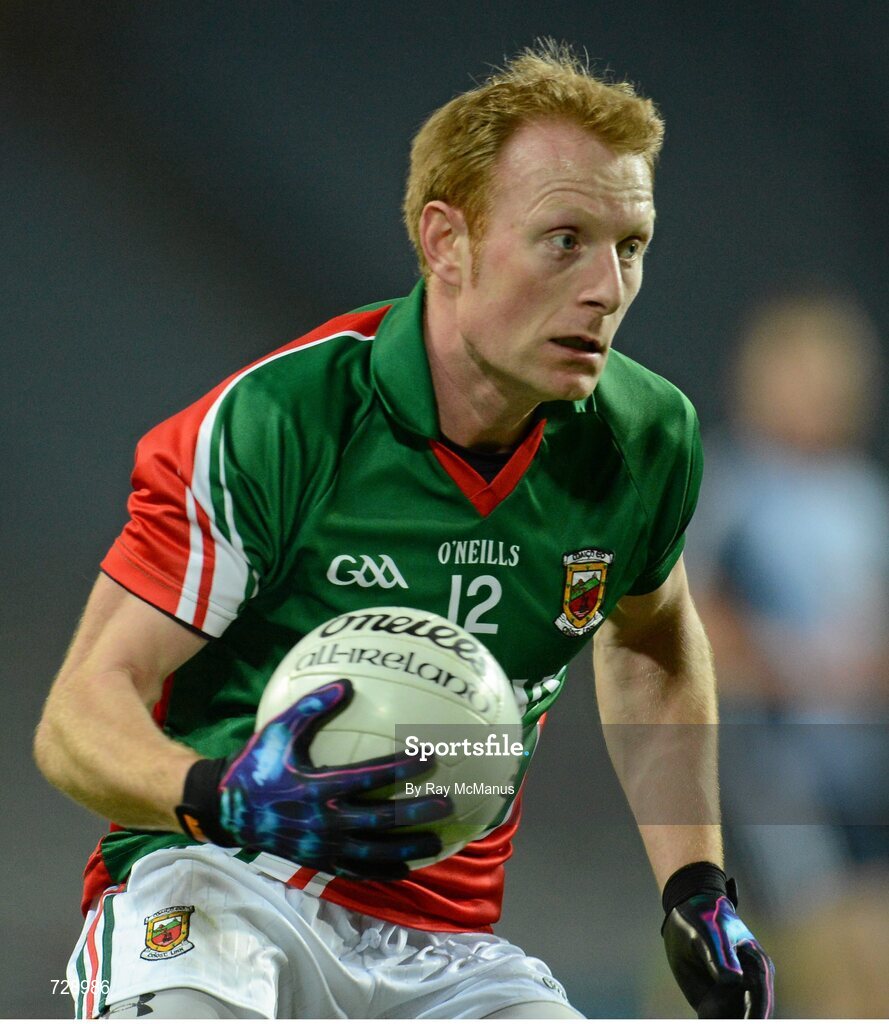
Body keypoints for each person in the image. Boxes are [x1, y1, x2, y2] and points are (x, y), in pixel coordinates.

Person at [35, 42, 774, 1019]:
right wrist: (219, 789)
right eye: (563, 239)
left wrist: (696, 885)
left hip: (443, 948)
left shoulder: (644, 437)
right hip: (219, 887)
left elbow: (653, 638)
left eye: (628, 245)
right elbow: (77, 716)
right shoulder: (275, 422)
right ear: (446, 241)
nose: (605, 286)